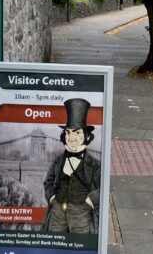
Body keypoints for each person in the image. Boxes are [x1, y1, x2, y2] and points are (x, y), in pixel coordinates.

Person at [43, 98, 101, 234]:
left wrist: (90, 201)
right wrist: (52, 198)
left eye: (77, 133)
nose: (71, 138)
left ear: (86, 137)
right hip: (57, 215)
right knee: (54, 246)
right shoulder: (58, 161)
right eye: (68, 132)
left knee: (81, 247)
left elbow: (104, 188)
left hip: (81, 216)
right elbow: (48, 182)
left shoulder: (95, 165)